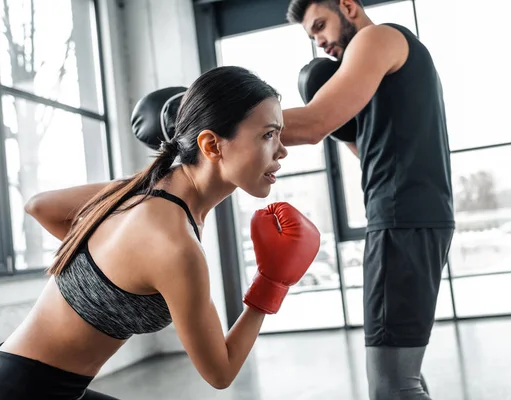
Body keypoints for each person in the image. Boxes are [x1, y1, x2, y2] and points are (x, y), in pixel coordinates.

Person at [0, 66, 321, 400]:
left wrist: (108, 266)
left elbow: (40, 206)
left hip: (30, 375)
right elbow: (220, 372)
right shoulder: (174, 243)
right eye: (268, 135)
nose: (282, 150)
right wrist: (271, 284)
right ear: (211, 145)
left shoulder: (143, 195)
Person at [284, 1, 455, 398]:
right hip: (410, 216)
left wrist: (215, 117)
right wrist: (343, 131)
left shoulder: (378, 38)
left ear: (347, 6)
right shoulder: (384, 67)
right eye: (313, 36)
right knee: (403, 375)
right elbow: (373, 153)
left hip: (401, 219)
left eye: (321, 26)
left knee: (391, 386)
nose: (320, 41)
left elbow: (311, 124)